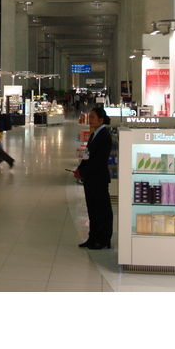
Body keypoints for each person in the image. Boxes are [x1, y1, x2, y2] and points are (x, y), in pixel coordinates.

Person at [76, 107, 113, 250]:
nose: (89, 119)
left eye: (92, 117)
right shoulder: (94, 134)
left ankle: (103, 239)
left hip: (99, 179)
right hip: (90, 178)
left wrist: (84, 172)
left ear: (100, 120)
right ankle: (92, 237)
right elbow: (88, 154)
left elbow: (99, 161)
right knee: (92, 209)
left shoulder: (104, 136)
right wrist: (80, 169)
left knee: (102, 210)